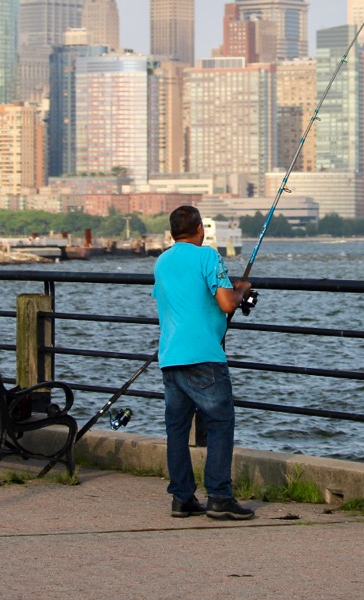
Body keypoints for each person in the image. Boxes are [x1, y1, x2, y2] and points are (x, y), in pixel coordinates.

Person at [153, 205, 255, 521]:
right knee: (220, 423)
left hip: (171, 356)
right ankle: (220, 496)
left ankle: (182, 498)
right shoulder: (207, 256)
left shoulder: (162, 261)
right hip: (204, 355)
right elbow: (225, 302)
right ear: (200, 229)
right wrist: (241, 291)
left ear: (173, 232)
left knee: (177, 429)